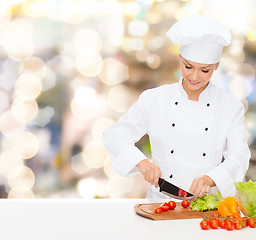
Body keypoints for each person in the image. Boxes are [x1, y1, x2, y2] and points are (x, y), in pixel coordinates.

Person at [103, 16, 251, 199]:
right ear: (180, 59)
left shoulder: (229, 106)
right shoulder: (155, 99)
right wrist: (141, 162)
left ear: (216, 66)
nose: (195, 76)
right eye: (188, 67)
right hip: (161, 202)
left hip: (205, 205)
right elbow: (116, 134)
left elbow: (240, 156)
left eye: (205, 70)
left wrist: (210, 179)